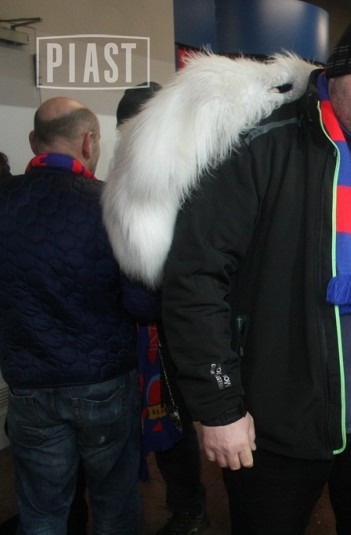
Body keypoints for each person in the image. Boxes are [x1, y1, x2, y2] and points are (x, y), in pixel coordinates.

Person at [127, 8, 351, 534]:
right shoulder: (265, 144)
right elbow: (196, 277)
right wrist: (219, 406)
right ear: (335, 74)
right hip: (277, 421)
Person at [0, 97, 154, 533]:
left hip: (28, 385)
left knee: (42, 511)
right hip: (103, 383)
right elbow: (144, 305)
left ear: (35, 141)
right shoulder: (111, 206)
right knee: (114, 506)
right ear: (89, 142)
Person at [115, 82, 210, 535]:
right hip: (152, 328)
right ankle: (188, 507)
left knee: (174, 421)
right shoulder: (174, 176)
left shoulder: (176, 183)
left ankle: (191, 509)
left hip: (167, 328)